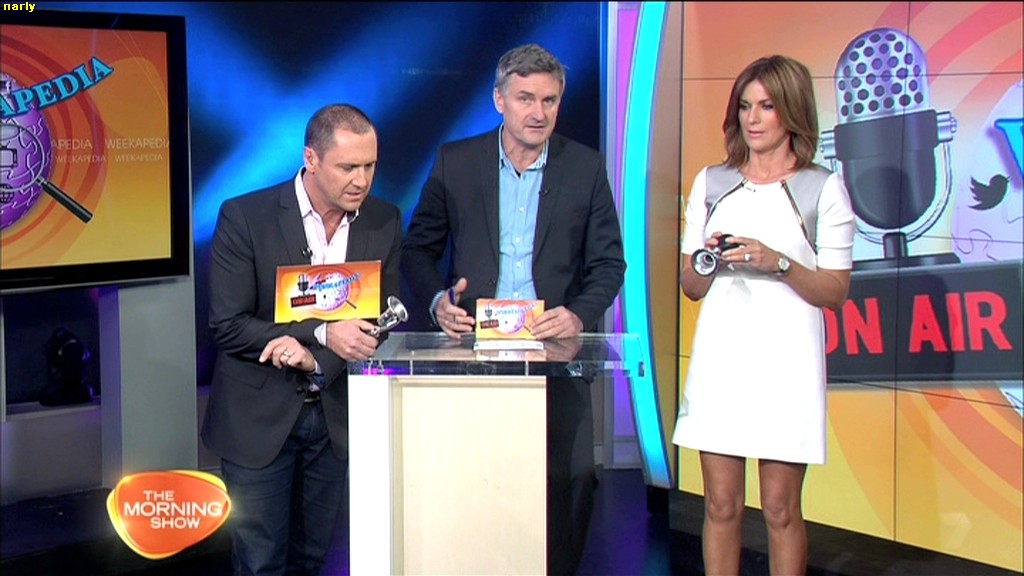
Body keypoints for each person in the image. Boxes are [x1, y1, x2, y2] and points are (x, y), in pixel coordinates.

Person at [401, 43, 626, 575]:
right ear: (499, 100)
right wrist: (438, 301)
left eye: (549, 100)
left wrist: (576, 314)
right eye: (525, 98)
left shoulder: (585, 168)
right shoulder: (456, 162)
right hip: (474, 351)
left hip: (554, 351)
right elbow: (417, 251)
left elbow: (608, 264)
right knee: (481, 478)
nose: (538, 112)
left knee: (572, 478)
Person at [672, 55, 855, 575]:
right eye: (745, 106)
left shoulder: (822, 188)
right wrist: (708, 258)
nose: (752, 119)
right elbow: (690, 287)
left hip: (787, 366)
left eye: (766, 107)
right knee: (720, 505)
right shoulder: (712, 183)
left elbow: (834, 291)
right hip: (720, 363)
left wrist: (776, 262)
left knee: (779, 509)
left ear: (791, 111)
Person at [201, 103, 402, 576]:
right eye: (348, 167)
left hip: (334, 418)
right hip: (258, 419)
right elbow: (228, 324)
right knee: (261, 563)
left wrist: (317, 361)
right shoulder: (246, 217)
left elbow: (381, 319)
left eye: (370, 166)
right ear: (311, 158)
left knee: (312, 561)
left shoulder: (384, 221)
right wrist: (319, 331)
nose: (361, 180)